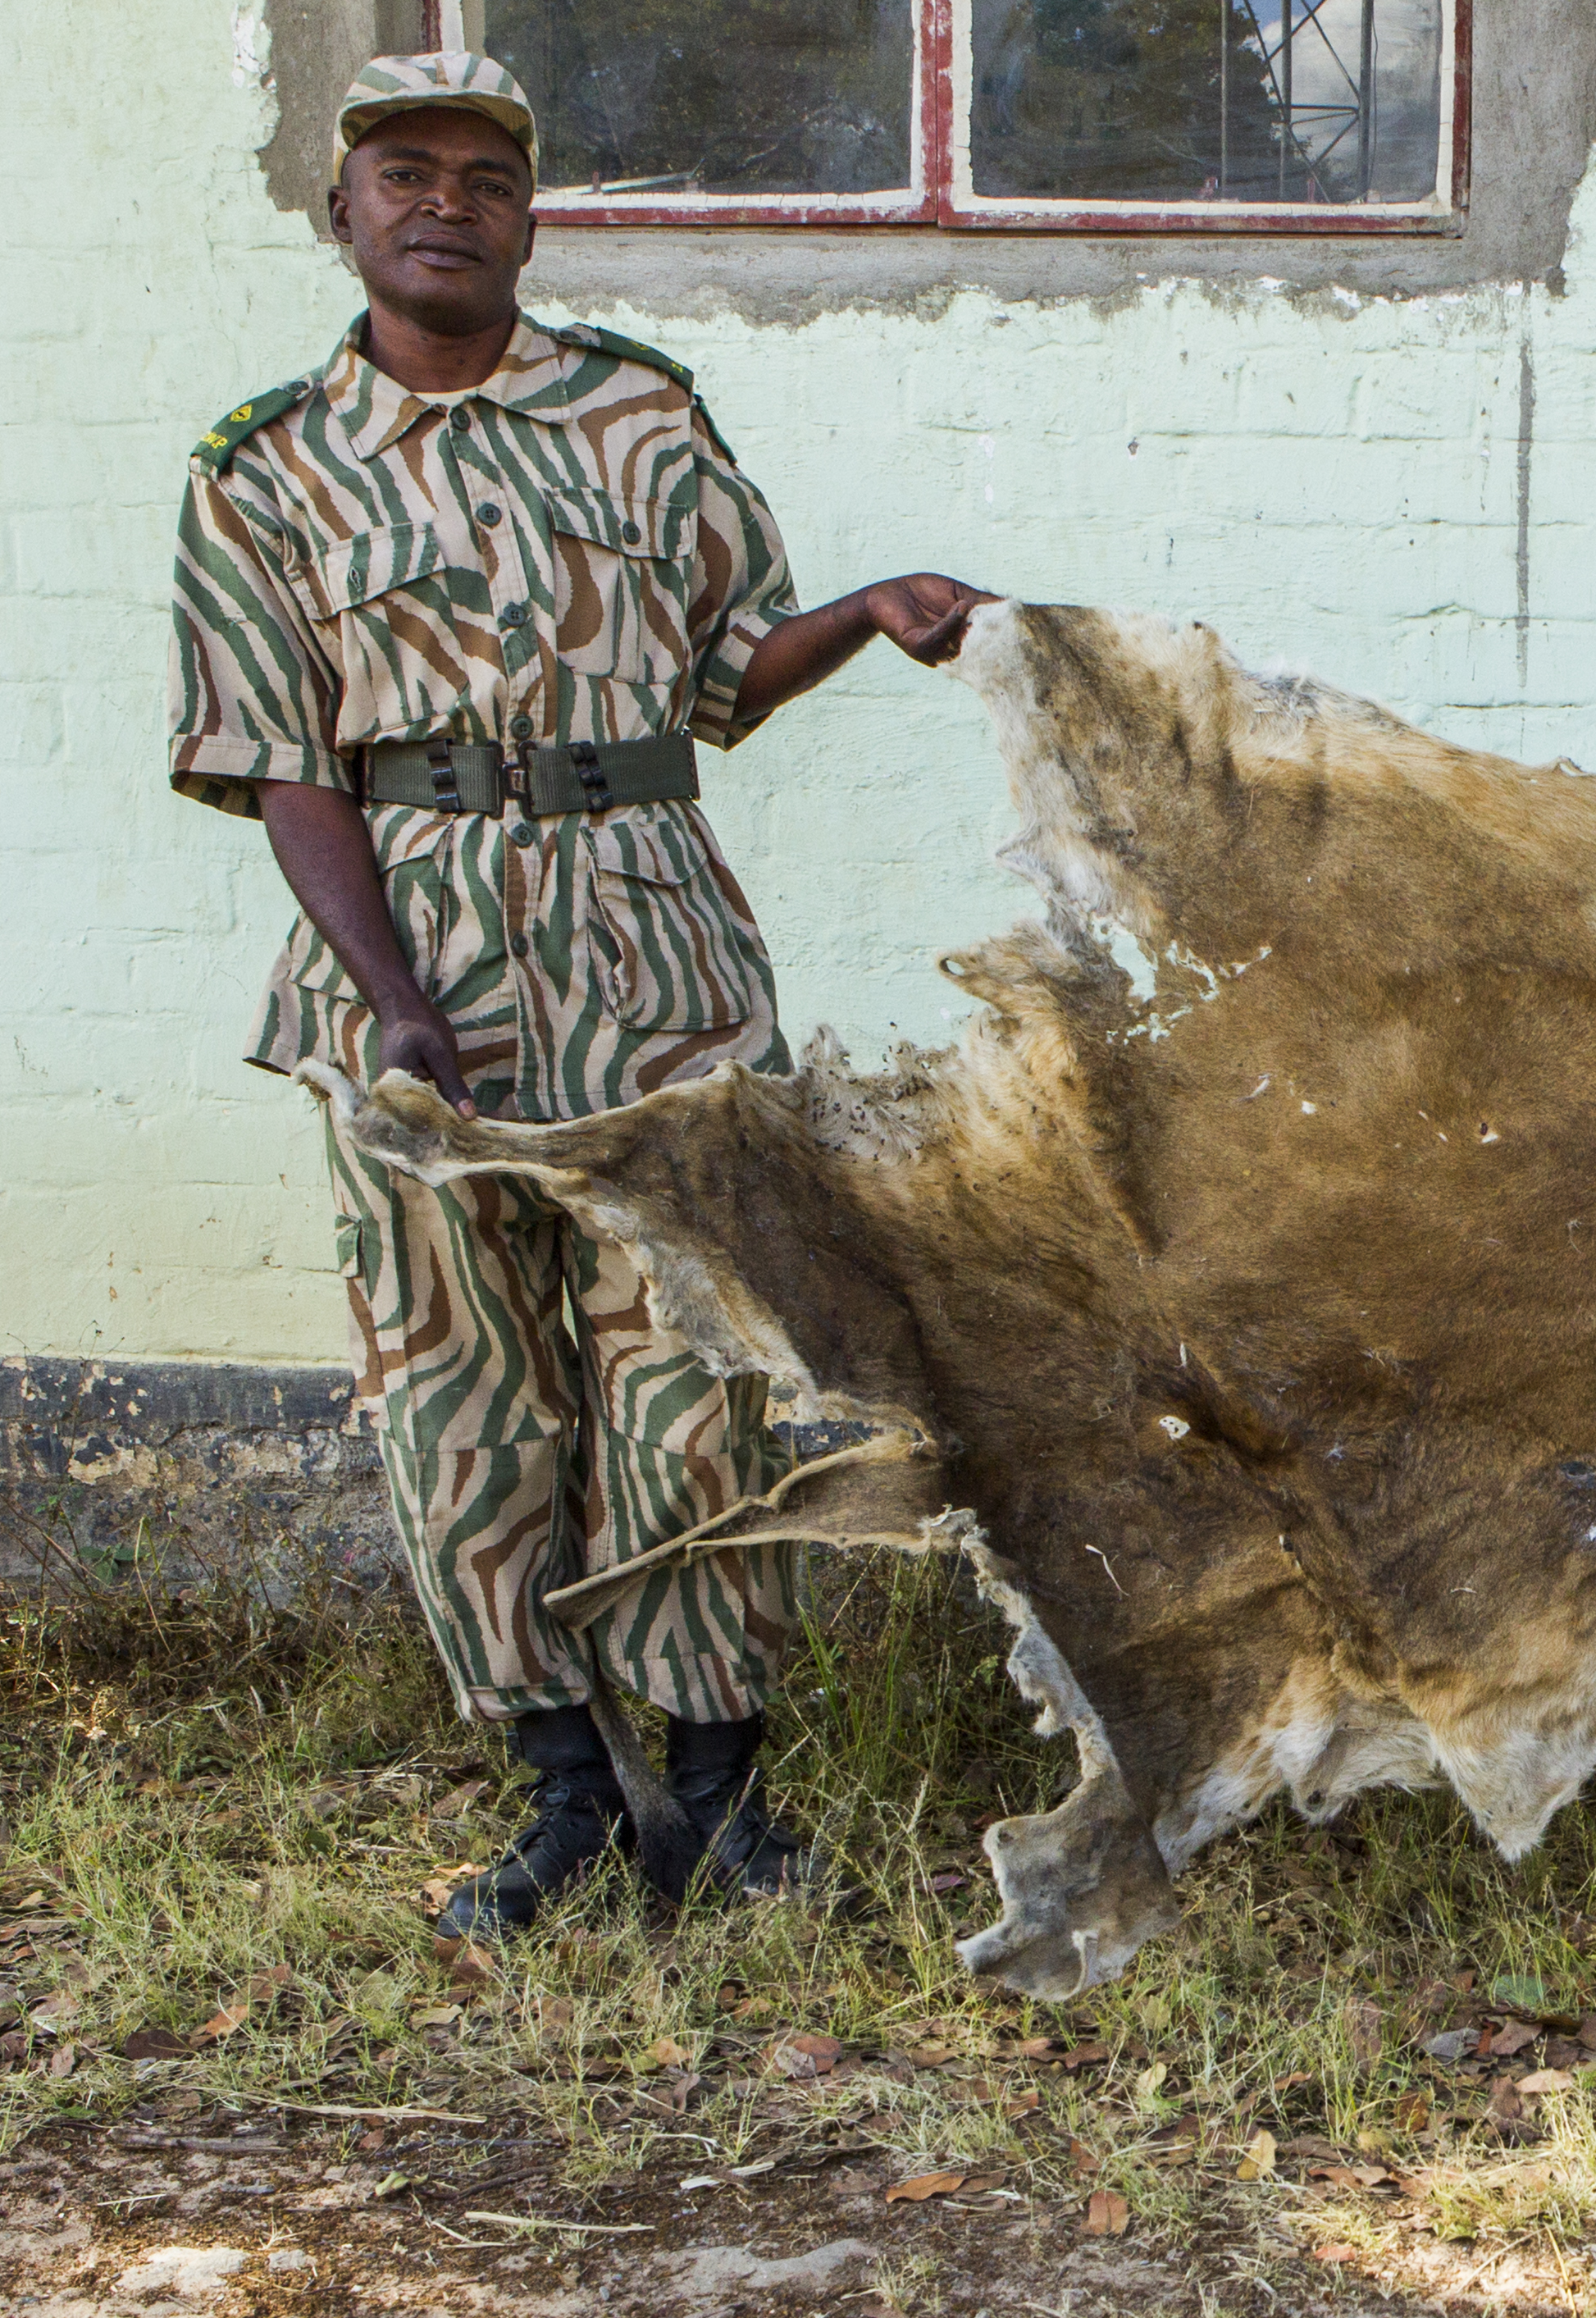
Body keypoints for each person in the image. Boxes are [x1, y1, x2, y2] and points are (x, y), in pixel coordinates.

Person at [166, 50, 998, 1938]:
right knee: (463, 1397)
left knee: (692, 1377)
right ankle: (560, 1800)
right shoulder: (262, 470)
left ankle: (716, 1800)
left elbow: (723, 672)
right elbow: (286, 761)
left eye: (484, 174)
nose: (444, 199)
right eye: (403, 170)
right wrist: (389, 999)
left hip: (660, 960)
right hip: (413, 969)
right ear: (344, 211)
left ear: (530, 215)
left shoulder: (642, 416)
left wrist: (863, 613)